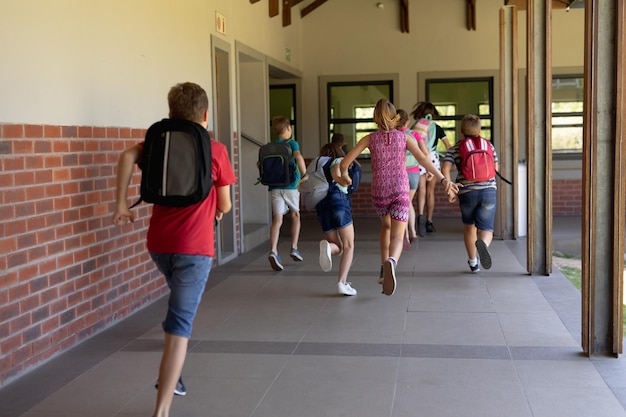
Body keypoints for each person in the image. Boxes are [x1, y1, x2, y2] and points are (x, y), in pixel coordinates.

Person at [111, 82, 236, 417]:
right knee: (179, 327)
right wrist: (218, 210)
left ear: (171, 112)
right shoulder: (216, 150)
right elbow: (224, 203)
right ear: (205, 114)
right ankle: (162, 409)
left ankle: (173, 376)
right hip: (195, 249)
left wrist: (122, 204)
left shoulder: (157, 142)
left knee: (178, 312)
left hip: (159, 245)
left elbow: (126, 156)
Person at [337, 98, 458, 296]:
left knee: (385, 227)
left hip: (380, 191)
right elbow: (423, 159)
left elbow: (344, 163)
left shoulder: (369, 139)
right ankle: (392, 261)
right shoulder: (404, 138)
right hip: (401, 189)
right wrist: (444, 179)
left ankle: (383, 269)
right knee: (397, 235)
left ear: (375, 118)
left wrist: (346, 178)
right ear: (395, 117)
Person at [441, 114, 498, 272]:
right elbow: (496, 169)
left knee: (469, 227)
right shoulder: (488, 145)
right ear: (479, 130)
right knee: (486, 229)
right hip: (488, 191)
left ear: (461, 130)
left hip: (466, 192)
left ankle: (473, 263)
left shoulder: (456, 148)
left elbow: (445, 169)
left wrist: (451, 189)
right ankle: (483, 245)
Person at [314, 143, 357, 296]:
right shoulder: (338, 161)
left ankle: (329, 248)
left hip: (322, 206)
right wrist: (346, 180)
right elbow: (337, 176)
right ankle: (342, 283)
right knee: (349, 245)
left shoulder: (318, 165)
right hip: (338, 201)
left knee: (338, 247)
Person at [267, 115, 308, 271]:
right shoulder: (292, 143)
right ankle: (294, 247)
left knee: (277, 219)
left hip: (275, 186)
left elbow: (260, 164)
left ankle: (273, 251)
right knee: (295, 215)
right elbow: (298, 157)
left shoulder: (271, 146)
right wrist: (304, 174)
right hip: (291, 185)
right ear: (289, 128)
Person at [411, 101, 452, 236]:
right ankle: (429, 221)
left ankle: (420, 217)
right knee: (430, 191)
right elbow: (448, 146)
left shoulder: (415, 127)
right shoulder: (437, 127)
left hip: (418, 158)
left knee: (420, 190)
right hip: (433, 159)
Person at [396, 109, 431, 244]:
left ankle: (404, 234)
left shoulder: (394, 136)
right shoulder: (415, 134)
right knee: (408, 202)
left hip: (400, 174)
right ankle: (413, 233)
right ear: (408, 121)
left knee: (403, 205)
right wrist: (429, 171)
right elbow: (425, 154)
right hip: (414, 173)